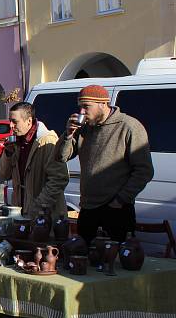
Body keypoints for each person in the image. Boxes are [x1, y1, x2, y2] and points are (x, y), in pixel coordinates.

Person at [58, 85, 154, 242]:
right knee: (83, 256)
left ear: (103, 104)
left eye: (86, 106)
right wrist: (68, 135)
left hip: (117, 208)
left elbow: (144, 171)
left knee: (116, 259)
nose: (82, 112)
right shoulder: (84, 128)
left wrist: (121, 199)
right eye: (80, 107)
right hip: (88, 207)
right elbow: (61, 157)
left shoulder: (129, 126)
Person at [0, 102, 69, 221]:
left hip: (44, 217)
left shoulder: (47, 141)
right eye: (10, 121)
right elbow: (4, 174)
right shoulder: (16, 143)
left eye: (15, 121)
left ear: (29, 121)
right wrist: (8, 153)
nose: (10, 125)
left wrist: (39, 205)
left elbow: (59, 179)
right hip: (20, 213)